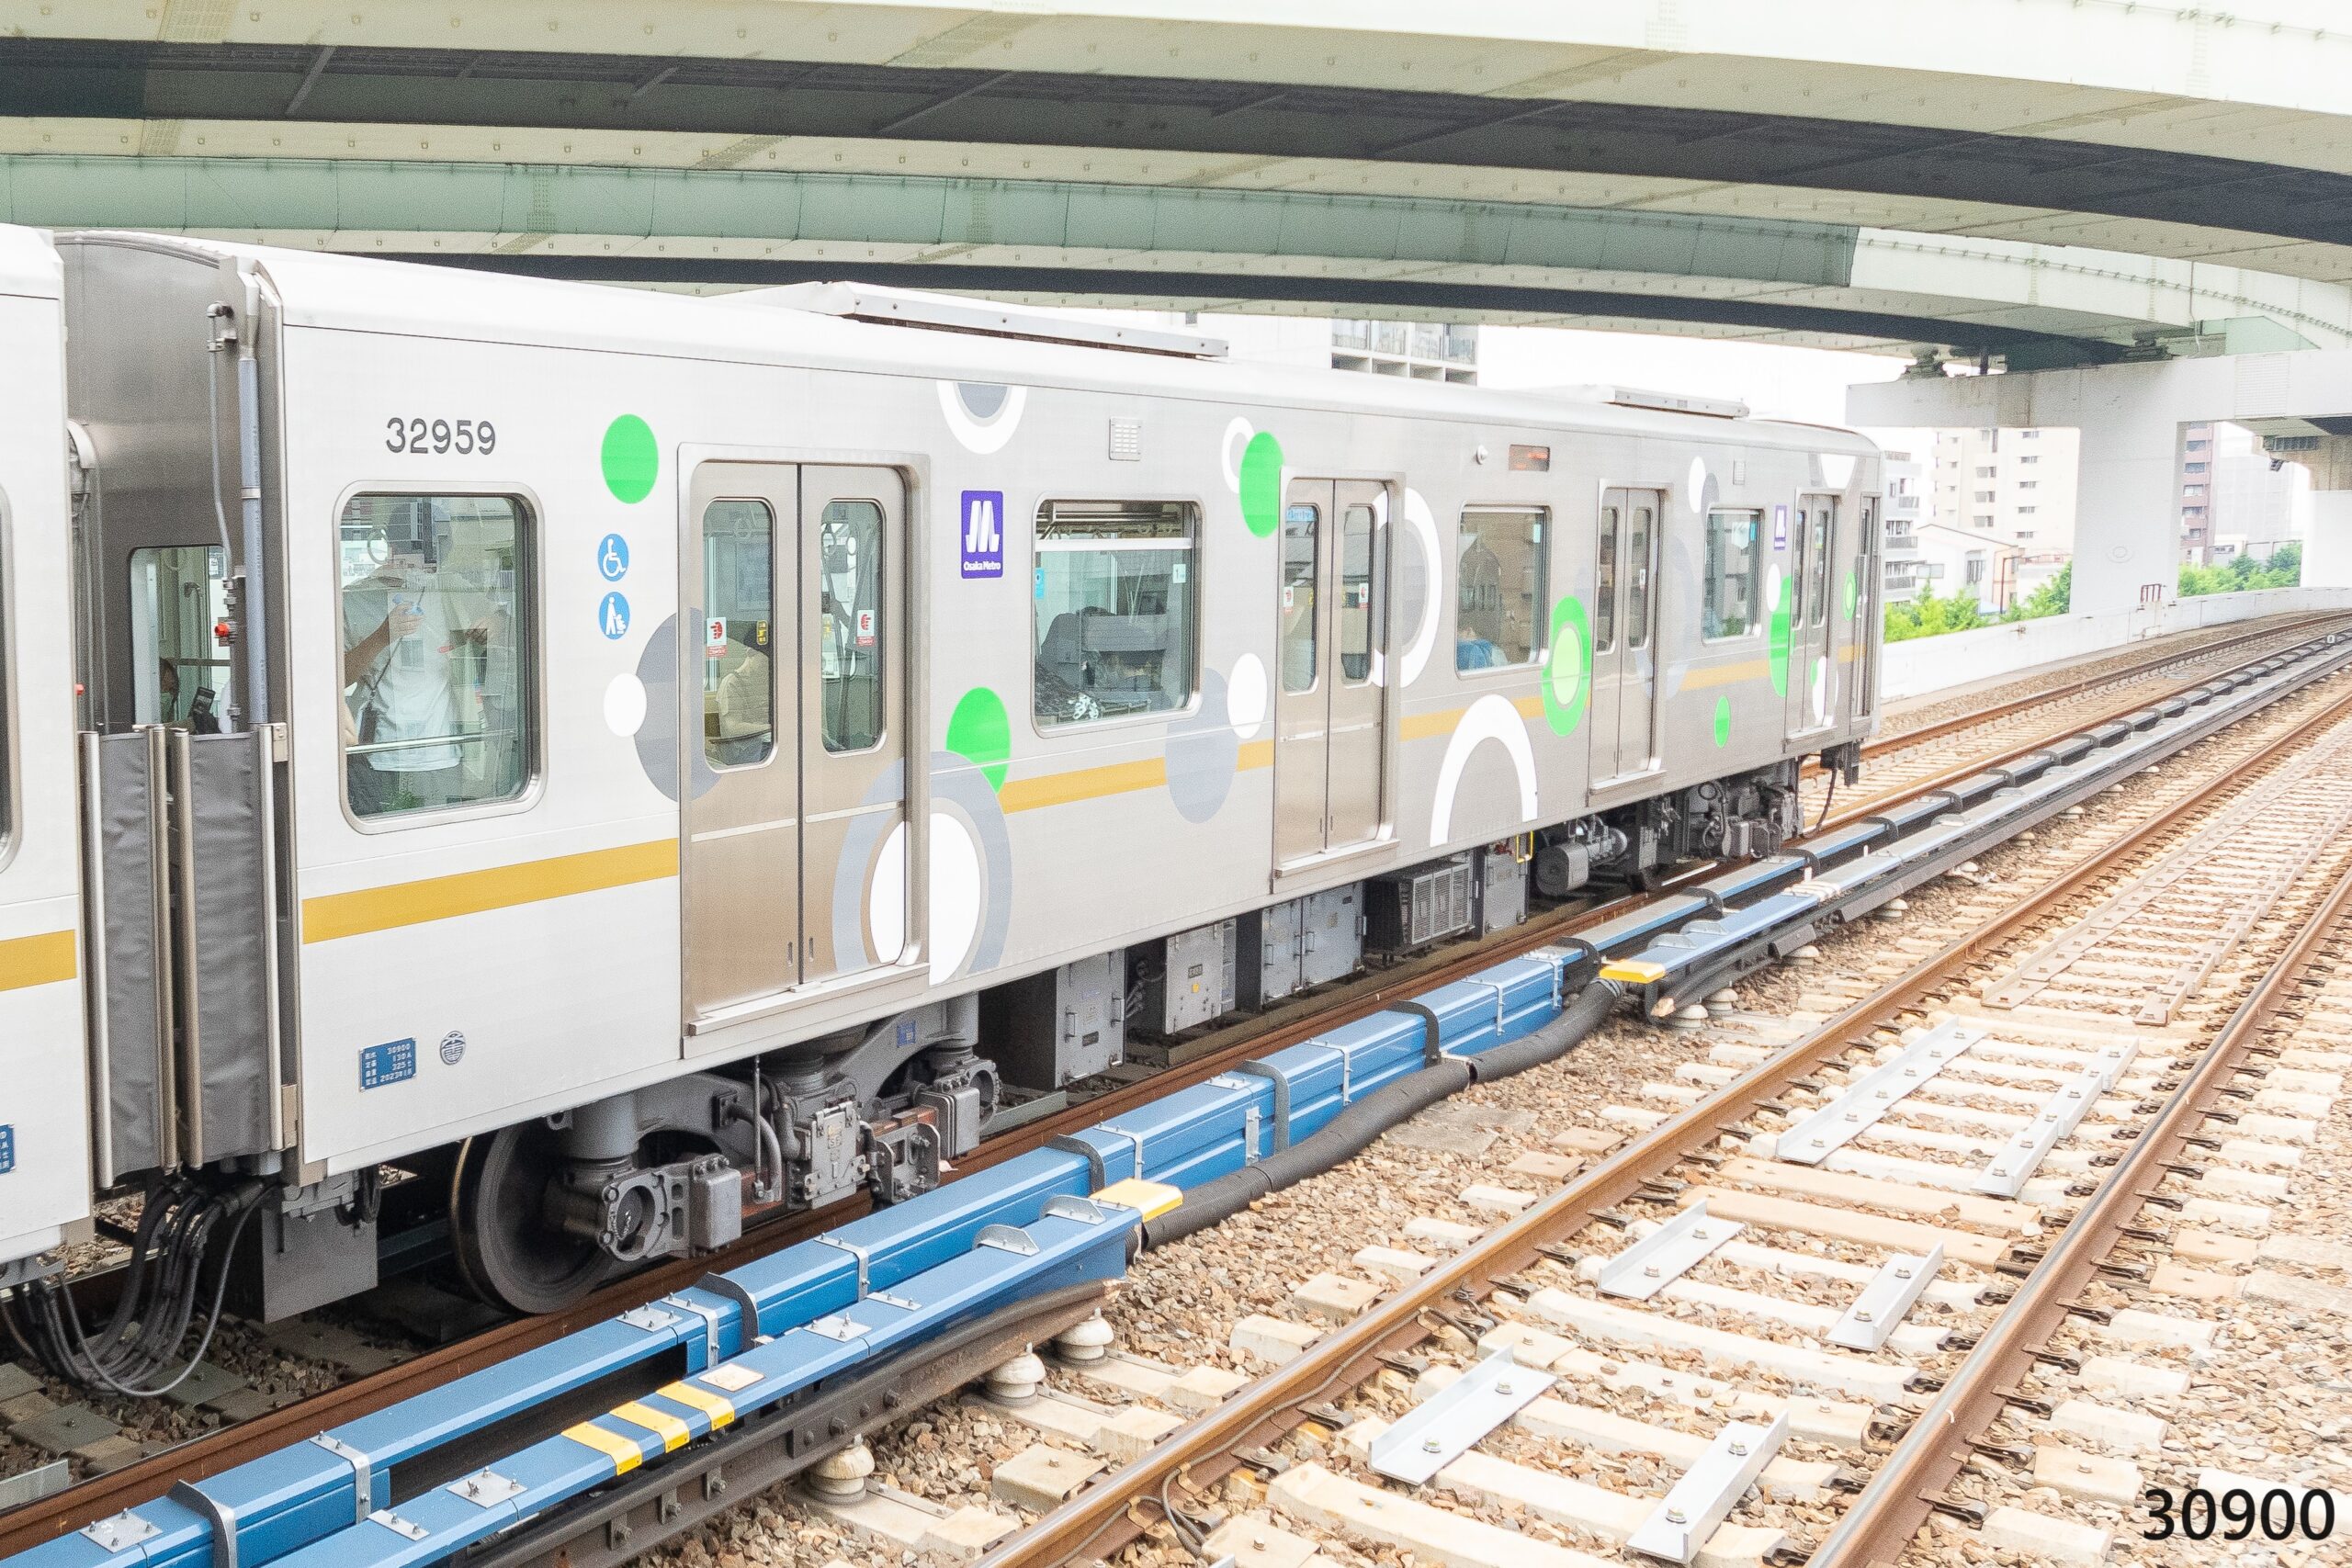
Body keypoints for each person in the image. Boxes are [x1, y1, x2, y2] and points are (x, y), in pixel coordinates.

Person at [343, 538, 498, 817]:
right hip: (378, 752)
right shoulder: (355, 598)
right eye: (415, 559)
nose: (423, 569)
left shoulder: (447, 587)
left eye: (433, 561)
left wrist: (490, 626)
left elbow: (501, 617)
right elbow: (336, 677)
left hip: (440, 749)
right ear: (393, 548)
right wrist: (382, 636)